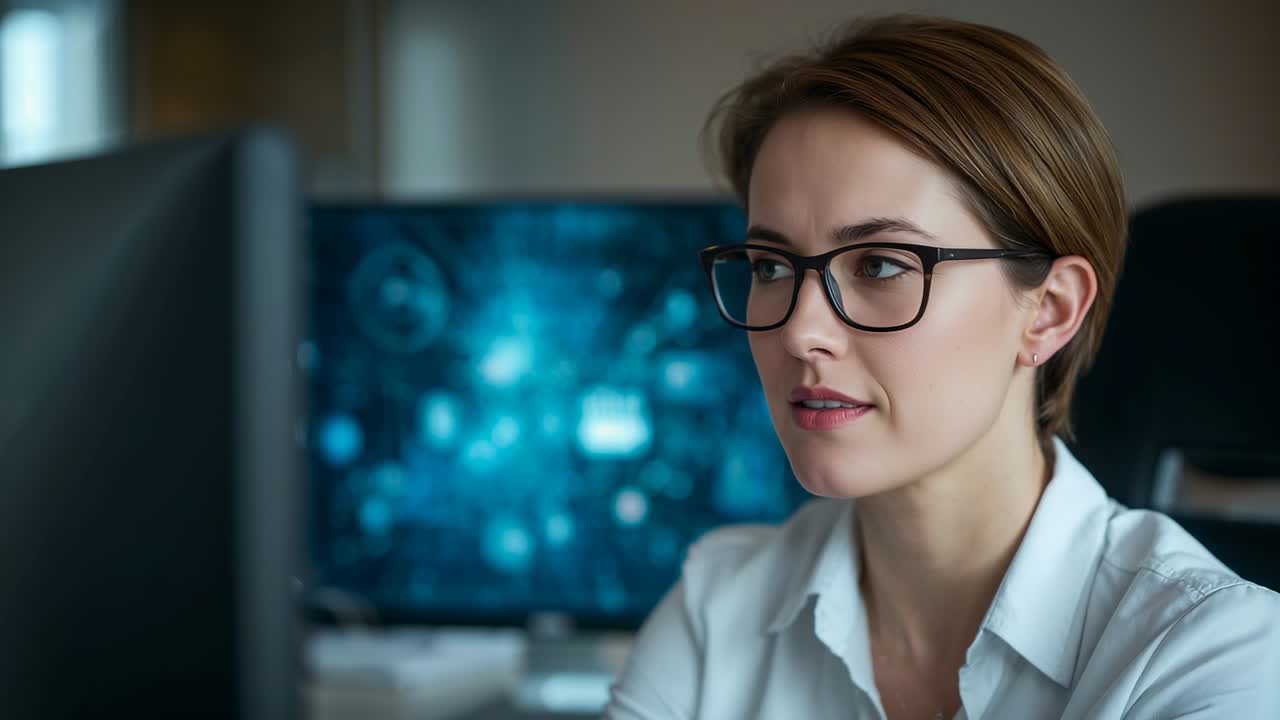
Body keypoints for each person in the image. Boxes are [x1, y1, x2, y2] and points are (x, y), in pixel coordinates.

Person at [603, 14, 1280, 720]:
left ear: (1047, 309)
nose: (801, 331)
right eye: (772, 265)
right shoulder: (723, 597)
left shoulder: (1208, 650)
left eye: (882, 264)